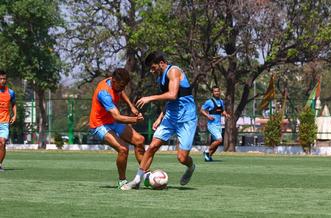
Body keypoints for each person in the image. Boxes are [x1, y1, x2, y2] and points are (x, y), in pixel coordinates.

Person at [127, 51, 197, 189]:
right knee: (152, 147)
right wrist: (160, 117)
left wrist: (149, 97)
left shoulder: (174, 71)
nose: (152, 71)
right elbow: (169, 102)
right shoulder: (161, 79)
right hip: (170, 117)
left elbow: (172, 95)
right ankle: (136, 180)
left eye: (153, 68)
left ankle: (191, 166)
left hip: (187, 118)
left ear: (161, 63)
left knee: (182, 158)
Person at [89, 68, 145, 190]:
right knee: (123, 149)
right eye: (121, 85)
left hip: (111, 121)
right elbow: (117, 117)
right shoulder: (104, 93)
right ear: (114, 81)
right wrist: (136, 120)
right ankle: (122, 181)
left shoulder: (115, 83)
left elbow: (121, 92)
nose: (122, 88)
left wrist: (131, 106)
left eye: (124, 86)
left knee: (140, 140)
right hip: (99, 125)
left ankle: (146, 175)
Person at [200, 86, 230, 161]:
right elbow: (202, 110)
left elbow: (222, 111)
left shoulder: (221, 101)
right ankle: (206, 151)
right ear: (212, 93)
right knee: (219, 140)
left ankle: (208, 156)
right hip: (211, 125)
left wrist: (226, 114)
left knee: (216, 143)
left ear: (220, 92)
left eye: (218, 91)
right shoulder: (209, 102)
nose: (217, 93)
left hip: (218, 125)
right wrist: (208, 116)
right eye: (215, 91)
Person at [0, 70, 16, 172]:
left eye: (4, 79)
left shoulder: (10, 92)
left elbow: (13, 104)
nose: (2, 80)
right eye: (0, 79)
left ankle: (0, 164)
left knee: (2, 143)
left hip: (4, 122)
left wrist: (15, 115)